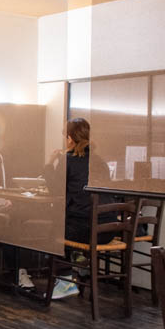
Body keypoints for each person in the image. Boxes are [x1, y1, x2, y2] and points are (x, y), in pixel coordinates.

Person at [42, 118, 112, 298]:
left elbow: (56, 189)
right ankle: (80, 264)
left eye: (65, 137)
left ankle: (65, 280)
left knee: (55, 231)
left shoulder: (69, 160)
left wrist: (49, 163)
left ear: (70, 138)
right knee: (68, 222)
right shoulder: (100, 161)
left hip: (86, 231)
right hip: (107, 230)